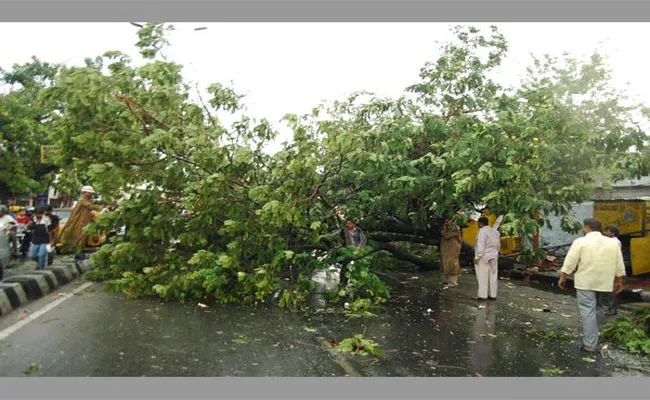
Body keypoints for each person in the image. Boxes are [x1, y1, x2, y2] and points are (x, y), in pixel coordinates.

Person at [558, 218, 626, 353]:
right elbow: (619, 263)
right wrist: (619, 280)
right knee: (598, 308)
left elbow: (571, 260)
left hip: (586, 282)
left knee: (587, 310)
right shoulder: (612, 243)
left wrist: (563, 276)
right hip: (604, 282)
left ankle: (590, 345)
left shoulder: (580, 241)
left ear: (586, 227)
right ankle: (594, 337)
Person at [59, 186, 102, 256]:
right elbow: (91, 206)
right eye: (90, 193)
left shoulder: (86, 201)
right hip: (79, 223)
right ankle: (78, 253)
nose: (91, 195)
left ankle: (79, 253)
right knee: (78, 238)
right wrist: (101, 207)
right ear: (85, 193)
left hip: (83, 223)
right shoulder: (82, 200)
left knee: (82, 238)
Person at [474, 216, 501, 301]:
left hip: (483, 257)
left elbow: (480, 245)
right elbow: (498, 245)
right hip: (494, 255)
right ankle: (493, 295)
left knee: (482, 276)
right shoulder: (495, 232)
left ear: (481, 223)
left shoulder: (482, 232)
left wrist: (478, 256)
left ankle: (483, 295)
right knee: (493, 275)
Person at [338, 219, 367, 287]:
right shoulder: (343, 230)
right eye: (347, 223)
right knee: (345, 268)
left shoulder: (358, 230)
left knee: (358, 267)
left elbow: (363, 239)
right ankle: (342, 283)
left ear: (353, 224)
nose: (347, 225)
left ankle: (355, 284)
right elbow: (336, 235)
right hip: (347, 251)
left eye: (349, 223)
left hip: (357, 251)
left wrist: (359, 247)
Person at [441, 218, 462, 286]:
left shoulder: (455, 228)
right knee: (445, 262)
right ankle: (446, 280)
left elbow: (447, 235)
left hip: (453, 247)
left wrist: (446, 229)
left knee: (452, 262)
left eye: (448, 220)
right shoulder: (446, 227)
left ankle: (453, 281)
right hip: (446, 247)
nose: (446, 222)